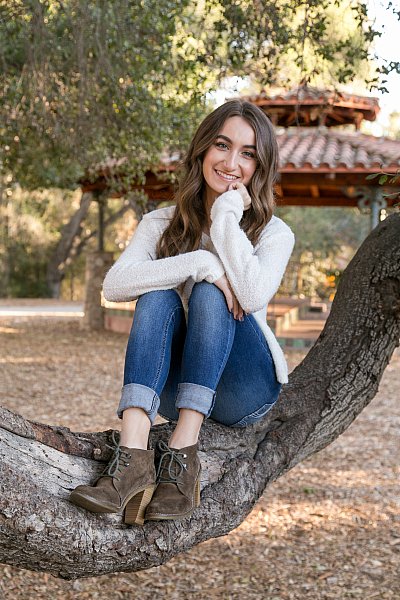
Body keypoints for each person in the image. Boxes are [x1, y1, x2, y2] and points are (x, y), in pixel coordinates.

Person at [69, 99, 295, 526]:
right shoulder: (161, 222)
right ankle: (132, 455)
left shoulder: (274, 233)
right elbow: (114, 285)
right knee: (157, 295)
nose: (231, 162)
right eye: (222, 146)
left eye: (247, 154)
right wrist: (200, 263)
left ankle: (182, 454)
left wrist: (227, 213)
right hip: (176, 384)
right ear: (202, 151)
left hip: (245, 386)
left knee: (213, 296)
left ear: (259, 167)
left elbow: (249, 295)